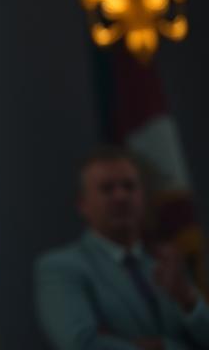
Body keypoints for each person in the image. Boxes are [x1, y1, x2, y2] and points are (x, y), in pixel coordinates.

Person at [34, 146, 209, 349]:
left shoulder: (165, 263)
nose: (121, 196)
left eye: (129, 186)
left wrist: (186, 297)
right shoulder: (60, 268)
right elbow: (81, 344)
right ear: (82, 205)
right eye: (107, 189)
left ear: (142, 197)